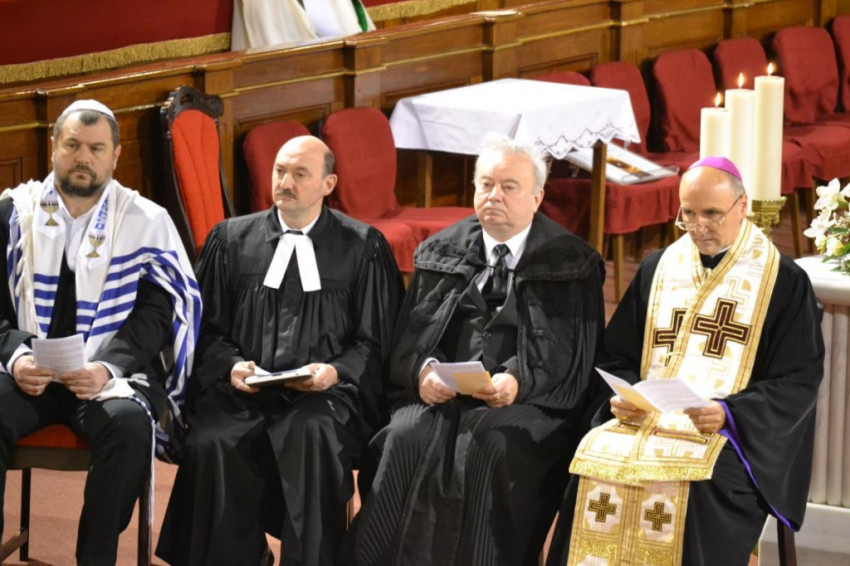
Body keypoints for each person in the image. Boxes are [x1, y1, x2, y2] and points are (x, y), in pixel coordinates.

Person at [546, 156, 825, 566]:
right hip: (645, 421)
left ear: (743, 206)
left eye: (711, 214)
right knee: (592, 460)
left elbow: (797, 378)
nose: (698, 226)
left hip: (728, 432)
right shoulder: (658, 268)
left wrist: (729, 413)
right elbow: (617, 354)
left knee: (695, 486)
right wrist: (623, 396)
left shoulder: (781, 280)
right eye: (688, 214)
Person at [350, 133, 607, 566]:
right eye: (486, 184)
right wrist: (423, 372)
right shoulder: (442, 250)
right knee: (404, 437)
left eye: (509, 186)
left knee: (490, 445)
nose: (494, 195)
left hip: (527, 402)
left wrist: (518, 379)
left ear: (537, 197)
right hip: (444, 397)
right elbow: (411, 335)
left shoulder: (570, 262)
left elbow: (573, 356)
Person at [156, 135, 404, 566]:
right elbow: (205, 329)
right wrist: (232, 367)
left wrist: (335, 371)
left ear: (328, 184)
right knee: (212, 440)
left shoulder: (362, 247)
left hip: (328, 397)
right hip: (243, 392)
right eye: (280, 171)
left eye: (300, 174)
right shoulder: (230, 240)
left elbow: (375, 340)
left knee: (312, 433)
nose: (285, 182)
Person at [0, 99, 200, 564]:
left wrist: (109, 367)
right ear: (53, 147)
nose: (82, 158)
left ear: (116, 154)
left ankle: (96, 557)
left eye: (95, 148)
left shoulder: (145, 221)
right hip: (27, 374)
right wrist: (16, 356)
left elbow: (157, 315)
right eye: (72, 145)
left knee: (130, 428)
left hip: (107, 379)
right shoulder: (12, 214)